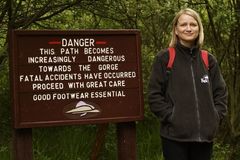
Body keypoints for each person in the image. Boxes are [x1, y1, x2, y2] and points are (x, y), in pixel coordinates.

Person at [148, 8, 227, 160]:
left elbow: (221, 93)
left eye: (193, 24)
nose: (189, 28)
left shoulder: (208, 60)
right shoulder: (165, 58)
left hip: (204, 138)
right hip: (174, 138)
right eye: (183, 24)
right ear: (176, 30)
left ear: (199, 28)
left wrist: (214, 117)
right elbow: (154, 95)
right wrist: (171, 117)